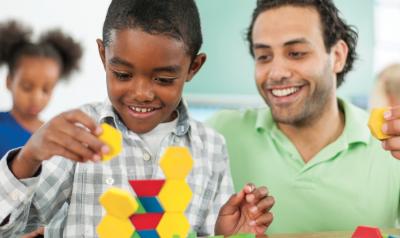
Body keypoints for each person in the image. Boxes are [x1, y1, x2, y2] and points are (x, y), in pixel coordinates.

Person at [0, 0, 274, 237]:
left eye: (164, 79)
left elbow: (206, 231)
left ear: (193, 67)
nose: (141, 94)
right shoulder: (80, 133)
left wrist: (226, 232)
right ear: (104, 56)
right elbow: (12, 228)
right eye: (122, 75)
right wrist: (27, 159)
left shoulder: (212, 147)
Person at [208, 0, 400, 234]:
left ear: (337, 56)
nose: (277, 73)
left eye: (296, 53)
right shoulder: (218, 135)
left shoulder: (391, 146)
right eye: (264, 56)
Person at [0, 20, 83, 159]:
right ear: (9, 81)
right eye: (27, 87)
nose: (36, 98)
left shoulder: (54, 135)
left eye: (46, 89)